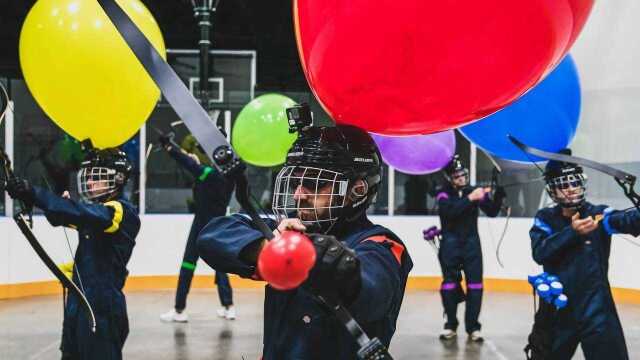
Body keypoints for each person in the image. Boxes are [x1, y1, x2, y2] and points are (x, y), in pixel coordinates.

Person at [197, 124, 413, 359]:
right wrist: (269, 249)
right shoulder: (290, 230)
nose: (299, 194)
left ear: (357, 190)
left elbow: (373, 293)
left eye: (314, 183)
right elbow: (212, 236)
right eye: (296, 183)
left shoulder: (381, 243)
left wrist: (338, 270)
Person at [6, 147, 140, 360]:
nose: (90, 184)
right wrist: (31, 197)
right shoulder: (93, 213)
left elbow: (79, 213)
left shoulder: (122, 212)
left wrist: (34, 192)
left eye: (98, 178)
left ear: (119, 179)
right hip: (78, 303)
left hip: (101, 307)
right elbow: (61, 216)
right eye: (89, 178)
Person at [529, 149, 640, 359]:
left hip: (596, 308)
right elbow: (540, 252)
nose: (570, 189)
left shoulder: (598, 213)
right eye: (563, 185)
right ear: (552, 190)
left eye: (574, 183)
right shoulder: (545, 218)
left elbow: (627, 220)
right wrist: (572, 232)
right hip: (557, 310)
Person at [158, 133, 237, 322]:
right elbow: (195, 166)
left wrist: (170, 147)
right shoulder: (228, 175)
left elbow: (191, 165)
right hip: (217, 225)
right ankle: (228, 306)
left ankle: (179, 310)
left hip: (202, 225)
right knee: (220, 266)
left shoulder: (211, 174)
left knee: (187, 266)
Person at [435, 154, 505, 341]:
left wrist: (498, 196)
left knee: (475, 286)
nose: (462, 179)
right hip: (450, 245)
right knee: (449, 285)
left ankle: (473, 327)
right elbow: (449, 212)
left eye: (463, 175)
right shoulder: (443, 193)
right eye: (457, 176)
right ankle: (450, 325)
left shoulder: (473, 191)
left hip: (472, 246)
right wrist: (471, 198)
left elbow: (491, 212)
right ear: (450, 178)